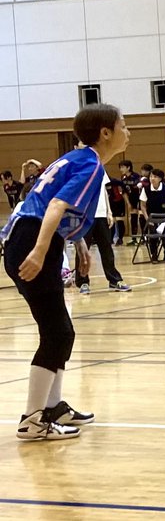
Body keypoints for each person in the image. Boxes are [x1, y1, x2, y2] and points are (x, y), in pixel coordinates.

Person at [3, 103, 129, 440]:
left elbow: (54, 205)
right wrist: (40, 250)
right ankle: (32, 420)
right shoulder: (90, 164)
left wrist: (79, 245)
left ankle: (52, 407)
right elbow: (56, 205)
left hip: (31, 236)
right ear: (106, 133)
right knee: (56, 333)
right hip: (32, 239)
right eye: (123, 126)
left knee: (61, 332)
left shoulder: (78, 159)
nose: (128, 132)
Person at [75, 160, 131, 294]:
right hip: (85, 215)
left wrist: (108, 211)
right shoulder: (77, 169)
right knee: (82, 250)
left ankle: (114, 280)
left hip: (101, 214)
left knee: (107, 249)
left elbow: (104, 191)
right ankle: (83, 282)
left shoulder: (100, 169)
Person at [140, 168, 165, 263]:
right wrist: (147, 219)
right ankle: (154, 254)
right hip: (152, 218)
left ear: (160, 179)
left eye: (155, 177)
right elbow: (143, 206)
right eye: (151, 176)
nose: (152, 178)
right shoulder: (146, 189)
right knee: (153, 234)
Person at [118, 159, 139, 241]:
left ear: (128, 167)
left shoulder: (136, 176)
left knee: (139, 218)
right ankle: (134, 239)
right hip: (130, 199)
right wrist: (128, 203)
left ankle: (141, 237)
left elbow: (140, 189)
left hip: (138, 199)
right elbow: (123, 192)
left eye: (123, 167)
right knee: (132, 218)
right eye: (120, 167)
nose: (121, 169)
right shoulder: (123, 178)